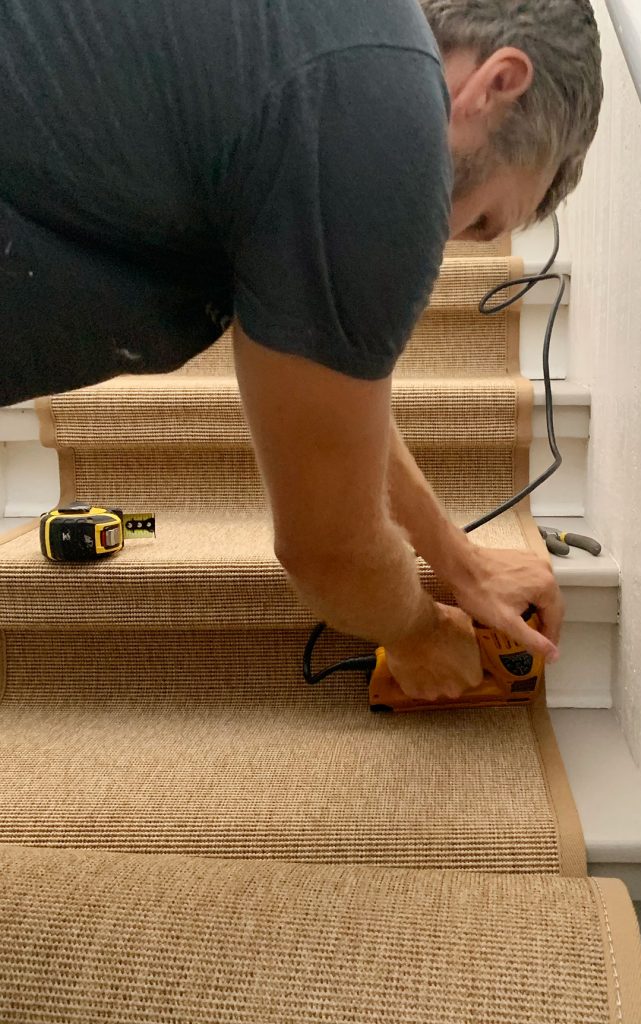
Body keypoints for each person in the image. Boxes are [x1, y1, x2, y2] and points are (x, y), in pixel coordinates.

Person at [0, 0, 604, 699]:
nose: (438, 247)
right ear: (495, 83)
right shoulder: (378, 112)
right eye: (476, 220)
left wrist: (454, 558)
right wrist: (419, 634)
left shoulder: (312, 59)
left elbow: (335, 406)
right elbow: (328, 552)